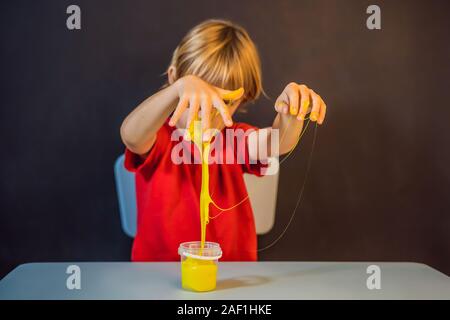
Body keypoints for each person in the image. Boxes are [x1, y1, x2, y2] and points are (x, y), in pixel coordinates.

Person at [120, 19, 327, 261]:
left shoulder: (234, 140)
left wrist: (292, 112)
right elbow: (131, 136)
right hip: (157, 274)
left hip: (231, 274)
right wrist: (178, 90)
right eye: (196, 97)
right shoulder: (160, 137)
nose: (208, 112)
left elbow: (278, 143)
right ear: (174, 77)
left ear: (243, 100)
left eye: (224, 101)